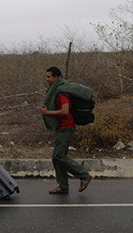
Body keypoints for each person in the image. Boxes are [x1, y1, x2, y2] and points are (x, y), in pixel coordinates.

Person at [40, 66, 92, 194]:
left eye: (49, 77)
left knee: (59, 156)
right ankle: (63, 186)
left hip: (66, 127)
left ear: (56, 77)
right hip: (61, 127)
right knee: (56, 157)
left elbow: (65, 111)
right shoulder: (56, 89)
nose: (46, 79)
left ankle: (84, 175)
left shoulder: (62, 92)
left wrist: (48, 112)